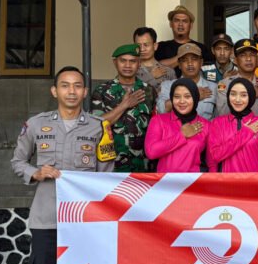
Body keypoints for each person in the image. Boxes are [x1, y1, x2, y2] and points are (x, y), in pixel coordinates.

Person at [11, 66, 114, 264]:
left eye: (78, 86)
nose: (72, 91)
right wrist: (36, 172)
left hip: (83, 222)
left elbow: (107, 174)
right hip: (47, 220)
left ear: (85, 91)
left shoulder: (99, 127)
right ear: (55, 91)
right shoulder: (36, 125)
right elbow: (17, 162)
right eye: (65, 86)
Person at [90, 44, 157, 173]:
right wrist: (124, 105)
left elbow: (155, 125)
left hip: (142, 165)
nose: (127, 65)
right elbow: (96, 125)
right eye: (123, 61)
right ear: (115, 62)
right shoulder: (102, 91)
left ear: (139, 64)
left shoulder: (149, 91)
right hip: (111, 164)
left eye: (132, 61)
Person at [207, 78, 258, 172]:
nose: (237, 99)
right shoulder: (218, 123)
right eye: (233, 94)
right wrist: (246, 133)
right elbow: (214, 157)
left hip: (253, 180)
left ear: (251, 97)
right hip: (225, 180)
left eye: (243, 95)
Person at [145, 78, 209, 173]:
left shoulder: (206, 125)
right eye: (177, 97)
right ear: (171, 98)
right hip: (164, 181)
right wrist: (182, 135)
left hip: (194, 181)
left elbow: (211, 161)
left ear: (195, 98)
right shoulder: (158, 120)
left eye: (187, 96)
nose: (182, 101)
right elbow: (151, 152)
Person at [157, 43, 217, 120]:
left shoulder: (213, 87)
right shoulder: (167, 86)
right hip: (177, 127)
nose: (190, 63)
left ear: (201, 62)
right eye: (185, 60)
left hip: (205, 127)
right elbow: (161, 110)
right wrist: (194, 95)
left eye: (194, 59)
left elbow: (218, 119)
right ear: (179, 64)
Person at [217, 39, 258, 119]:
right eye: (243, 55)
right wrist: (251, 95)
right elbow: (222, 114)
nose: (248, 59)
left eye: (252, 55)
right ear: (235, 60)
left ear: (257, 59)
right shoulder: (223, 84)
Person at [154, 5, 213, 71]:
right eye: (177, 20)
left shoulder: (201, 48)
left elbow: (209, 71)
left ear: (191, 25)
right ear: (171, 24)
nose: (180, 24)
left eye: (184, 21)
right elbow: (155, 69)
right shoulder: (161, 47)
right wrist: (184, 54)